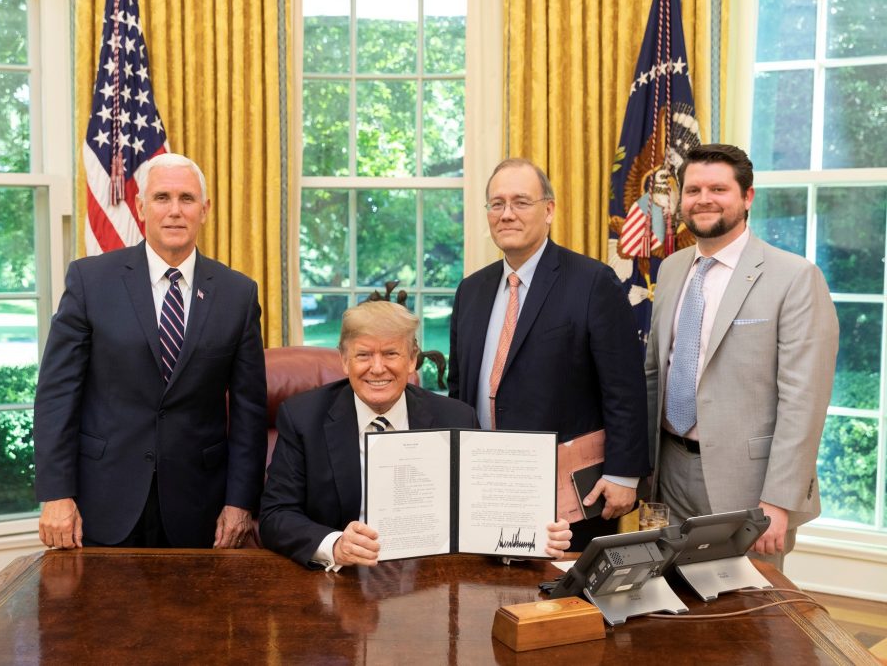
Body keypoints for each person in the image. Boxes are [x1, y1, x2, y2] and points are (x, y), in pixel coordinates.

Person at [34, 153, 267, 549]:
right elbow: (57, 395)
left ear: (204, 210)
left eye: (186, 199)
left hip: (200, 506)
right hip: (103, 497)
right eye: (162, 197)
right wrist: (56, 494)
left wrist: (240, 502)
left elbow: (250, 409)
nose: (175, 211)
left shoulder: (238, 294)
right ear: (141, 207)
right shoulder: (91, 281)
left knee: (195, 613)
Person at [260, 300, 576, 569]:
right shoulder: (303, 417)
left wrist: (531, 537)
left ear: (413, 360)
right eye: (364, 355)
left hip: (432, 577)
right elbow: (276, 516)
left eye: (391, 354)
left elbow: (481, 517)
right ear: (343, 360)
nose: (378, 368)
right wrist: (336, 544)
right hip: (347, 580)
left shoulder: (455, 417)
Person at [645, 143, 838, 569]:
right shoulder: (672, 268)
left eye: (718, 188)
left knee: (748, 622)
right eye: (693, 190)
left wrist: (779, 501)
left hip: (748, 488)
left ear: (747, 197)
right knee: (671, 608)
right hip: (669, 471)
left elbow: (803, 402)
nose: (704, 199)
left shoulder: (795, 277)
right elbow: (656, 371)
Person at [448, 158, 651, 549]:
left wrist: (624, 474)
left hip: (569, 494)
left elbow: (624, 387)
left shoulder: (593, 282)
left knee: (564, 605)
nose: (507, 214)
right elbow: (460, 389)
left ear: (549, 210)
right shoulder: (470, 291)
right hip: (486, 487)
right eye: (496, 203)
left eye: (521, 202)